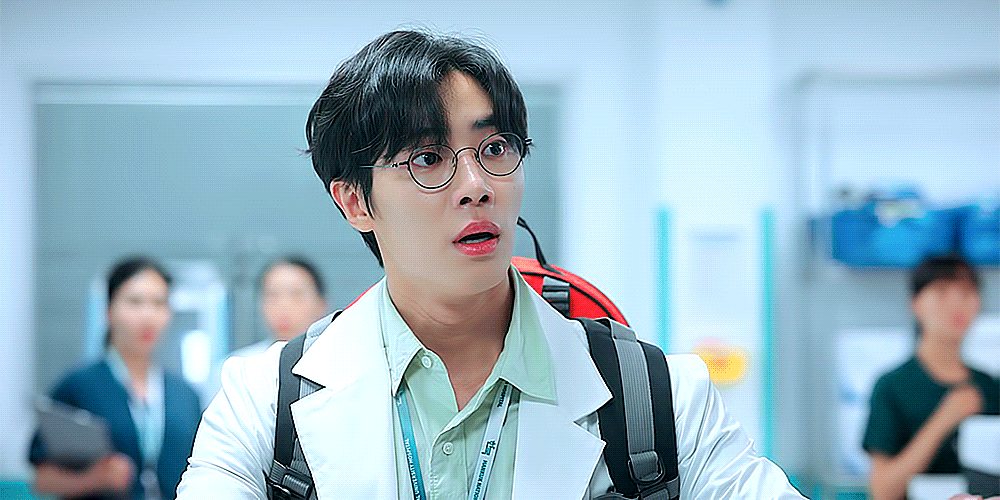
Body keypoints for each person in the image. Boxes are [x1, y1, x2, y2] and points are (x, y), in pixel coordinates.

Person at [177, 30, 804, 499]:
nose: (477, 186)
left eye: (495, 148)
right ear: (355, 201)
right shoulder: (265, 405)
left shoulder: (660, 398)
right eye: (427, 158)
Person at [30, 257, 202, 500]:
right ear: (109, 311)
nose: (148, 315)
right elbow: (42, 479)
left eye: (158, 303)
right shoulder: (79, 386)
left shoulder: (185, 396)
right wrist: (95, 479)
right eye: (135, 302)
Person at [863, 255, 1000, 500]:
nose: (956, 303)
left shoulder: (990, 387)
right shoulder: (892, 387)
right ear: (915, 303)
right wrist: (945, 418)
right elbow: (882, 491)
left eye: (966, 292)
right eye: (941, 292)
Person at [232, 256, 329, 358]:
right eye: (273, 295)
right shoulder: (244, 362)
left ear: (322, 304)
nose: (283, 306)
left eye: (296, 294)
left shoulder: (336, 360)